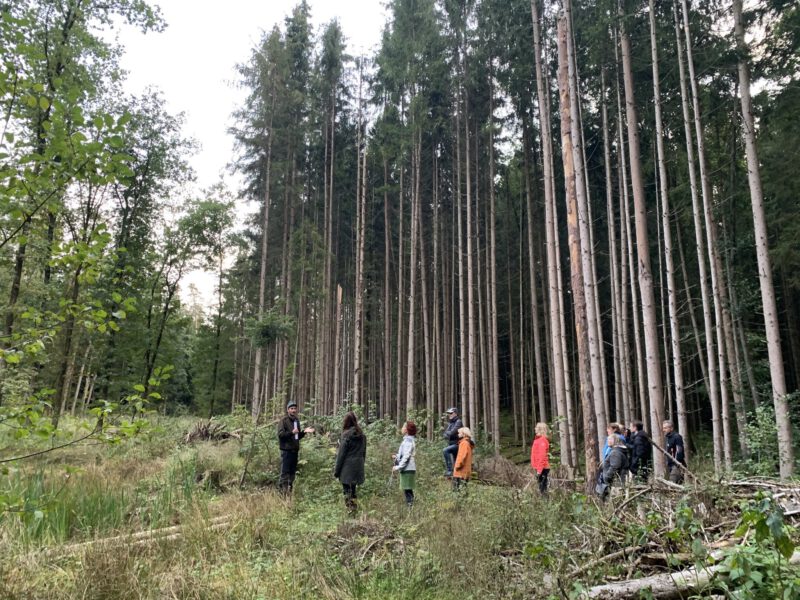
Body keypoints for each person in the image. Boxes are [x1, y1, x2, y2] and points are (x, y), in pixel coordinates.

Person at [277, 400, 315, 496]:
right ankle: (282, 494)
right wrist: (291, 433)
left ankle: (289, 493)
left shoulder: (296, 421)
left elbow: (297, 437)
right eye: (291, 408)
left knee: (292, 474)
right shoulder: (283, 421)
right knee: (284, 473)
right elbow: (281, 435)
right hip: (286, 451)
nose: (293, 410)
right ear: (288, 410)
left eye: (295, 408)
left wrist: (304, 432)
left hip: (294, 451)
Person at [334, 411, 367, 515]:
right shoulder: (362, 435)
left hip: (347, 468)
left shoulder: (346, 435)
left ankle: (350, 512)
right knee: (353, 490)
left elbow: (341, 455)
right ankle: (354, 510)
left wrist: (336, 471)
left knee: (346, 491)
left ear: (346, 422)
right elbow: (363, 453)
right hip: (358, 466)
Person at [393, 421, 417, 508]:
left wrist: (398, 467)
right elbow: (405, 454)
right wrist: (397, 456)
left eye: (403, 427)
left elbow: (406, 457)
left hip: (407, 468)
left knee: (408, 490)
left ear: (407, 430)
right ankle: (410, 509)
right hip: (408, 468)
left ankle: (410, 510)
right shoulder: (407, 440)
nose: (402, 428)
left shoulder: (408, 441)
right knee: (407, 490)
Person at [599, 434, 629, 499]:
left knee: (616, 502)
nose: (607, 441)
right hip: (617, 482)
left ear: (614, 441)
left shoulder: (615, 452)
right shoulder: (617, 451)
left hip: (616, 483)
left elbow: (615, 466)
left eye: (609, 439)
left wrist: (607, 477)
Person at [530, 422, 551, 495]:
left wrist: (539, 470)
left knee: (543, 488)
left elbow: (542, 456)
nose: (534, 428)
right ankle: (544, 503)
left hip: (543, 468)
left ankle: (545, 503)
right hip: (540, 467)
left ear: (540, 429)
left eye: (536, 427)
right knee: (541, 487)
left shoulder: (542, 440)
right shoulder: (538, 440)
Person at [442, 407, 463, 477]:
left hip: (457, 444)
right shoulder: (451, 423)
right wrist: (448, 433)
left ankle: (449, 470)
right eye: (448, 413)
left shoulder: (458, 422)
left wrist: (448, 433)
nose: (449, 414)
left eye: (451, 413)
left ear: (455, 414)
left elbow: (452, 432)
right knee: (456, 461)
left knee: (445, 450)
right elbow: (444, 434)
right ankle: (457, 476)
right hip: (451, 443)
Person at [452, 427, 474, 492]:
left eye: (459, 433)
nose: (458, 434)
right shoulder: (467, 443)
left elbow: (462, 457)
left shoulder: (464, 443)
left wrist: (457, 466)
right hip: (465, 472)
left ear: (464, 434)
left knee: (457, 491)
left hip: (460, 472)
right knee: (464, 490)